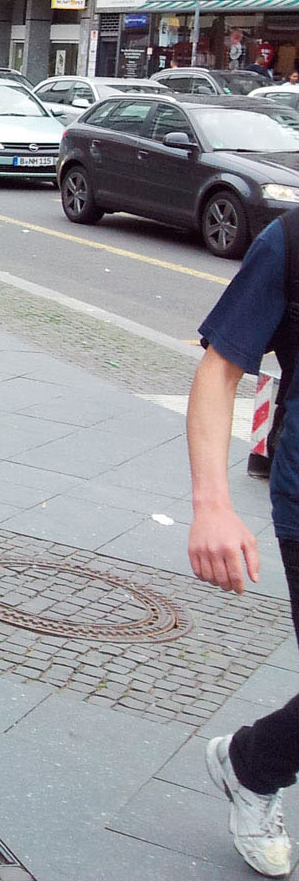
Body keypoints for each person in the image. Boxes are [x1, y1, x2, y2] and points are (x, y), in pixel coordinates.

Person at [187, 211, 299, 877]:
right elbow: (220, 370)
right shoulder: (289, 244)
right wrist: (212, 505)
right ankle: (255, 769)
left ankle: (251, 761)